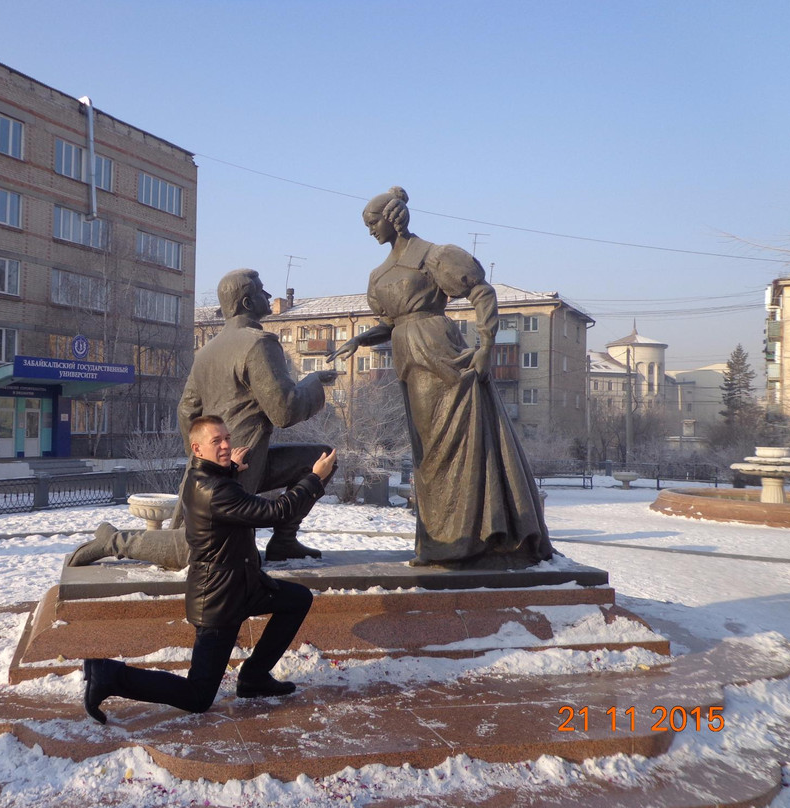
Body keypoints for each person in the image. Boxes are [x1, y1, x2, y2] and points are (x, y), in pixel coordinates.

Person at [327, 187, 553, 567]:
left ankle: (472, 541)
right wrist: (362, 337)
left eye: (372, 223)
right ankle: (442, 541)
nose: (369, 232)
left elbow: (482, 292)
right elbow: (391, 322)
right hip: (408, 359)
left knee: (458, 449)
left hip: (444, 355)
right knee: (428, 456)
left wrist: (485, 347)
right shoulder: (378, 274)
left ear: (393, 217)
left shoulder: (434, 256)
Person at [71, 268, 336, 569]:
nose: (267, 295)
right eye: (262, 290)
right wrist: (313, 383)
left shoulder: (207, 351)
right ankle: (113, 540)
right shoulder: (259, 344)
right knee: (192, 552)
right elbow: (284, 411)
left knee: (321, 458)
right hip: (238, 465)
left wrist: (200, 463)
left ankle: (284, 540)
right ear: (247, 303)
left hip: (232, 460)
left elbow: (186, 410)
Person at [82, 415, 336, 723]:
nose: (227, 445)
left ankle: (254, 678)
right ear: (197, 448)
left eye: (227, 438)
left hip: (244, 586)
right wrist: (313, 479)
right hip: (220, 599)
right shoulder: (217, 492)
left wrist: (231, 468)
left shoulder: (201, 477)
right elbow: (277, 511)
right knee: (199, 696)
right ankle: (108, 675)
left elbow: (219, 484)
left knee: (297, 599)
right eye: (217, 441)